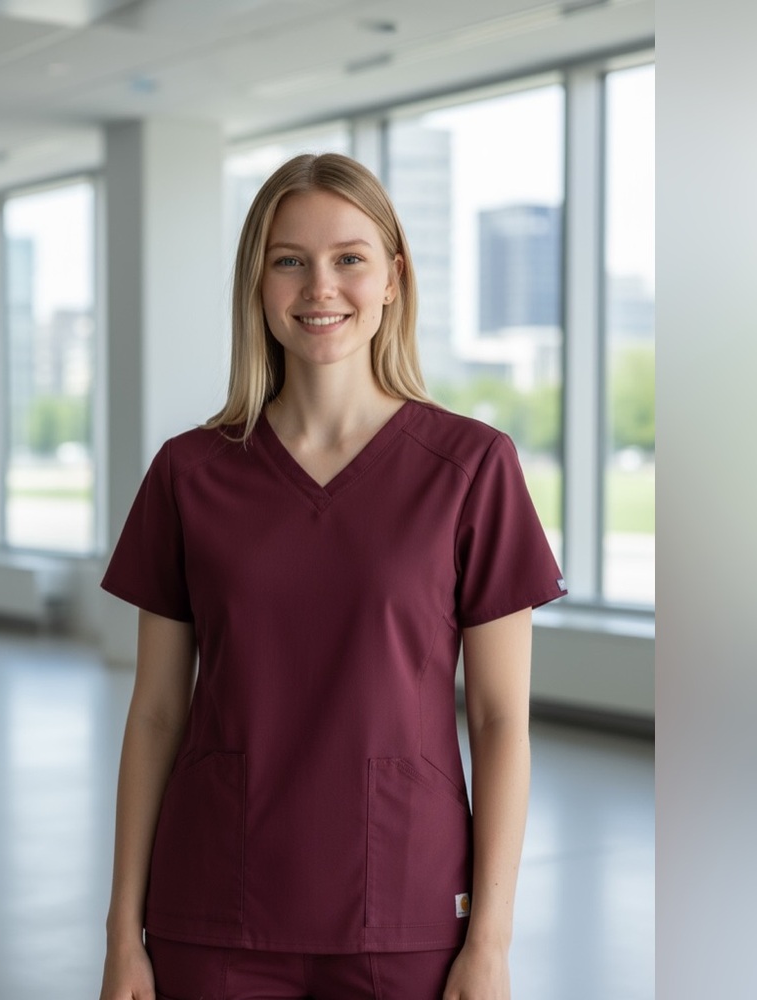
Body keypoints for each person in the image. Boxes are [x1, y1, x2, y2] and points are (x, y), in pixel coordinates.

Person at [97, 153, 567, 1000]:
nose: (321, 287)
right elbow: (158, 713)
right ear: (257, 283)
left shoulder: (470, 467)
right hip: (212, 912)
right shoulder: (188, 473)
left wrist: (489, 944)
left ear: (393, 277)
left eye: (349, 257)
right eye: (289, 260)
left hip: (406, 913)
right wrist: (121, 933)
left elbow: (500, 723)